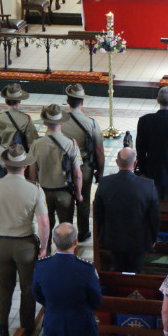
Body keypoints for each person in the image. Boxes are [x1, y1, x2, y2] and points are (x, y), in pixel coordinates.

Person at [0, 144, 50, 336]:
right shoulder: (35, 190)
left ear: (5, 165)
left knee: (4, 286)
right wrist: (44, 246)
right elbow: (44, 223)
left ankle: (2, 328)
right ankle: (26, 327)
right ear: (25, 166)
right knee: (27, 287)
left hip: (1, 244)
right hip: (25, 244)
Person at [33, 223, 102, 336]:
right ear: (75, 242)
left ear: (53, 241)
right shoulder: (86, 269)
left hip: (54, 325)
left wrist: (52, 304)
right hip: (81, 326)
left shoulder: (41, 266)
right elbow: (96, 300)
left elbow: (37, 294)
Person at [93, 148, 159, 272]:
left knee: (117, 269)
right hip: (139, 240)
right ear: (135, 163)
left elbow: (98, 213)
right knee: (136, 269)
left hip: (112, 238)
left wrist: (102, 233)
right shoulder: (148, 185)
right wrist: (153, 237)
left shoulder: (104, 183)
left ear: (117, 162)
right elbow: (154, 216)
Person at [29, 104, 83, 253]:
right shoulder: (71, 144)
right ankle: (66, 255)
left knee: (45, 226)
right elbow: (77, 174)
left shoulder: (36, 145)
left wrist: (34, 192)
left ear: (44, 122)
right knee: (66, 230)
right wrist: (78, 194)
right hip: (64, 193)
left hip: (43, 193)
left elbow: (32, 172)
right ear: (62, 122)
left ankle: (46, 253)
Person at [61, 84, 105, 242]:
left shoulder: (59, 122)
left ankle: (65, 233)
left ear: (67, 101)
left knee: (66, 198)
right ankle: (83, 232)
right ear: (82, 102)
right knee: (83, 199)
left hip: (63, 166)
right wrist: (100, 172)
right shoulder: (91, 123)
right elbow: (99, 151)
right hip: (84, 165)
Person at [0, 83, 39, 149]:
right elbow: (32, 142)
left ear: (6, 100)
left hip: (2, 152)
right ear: (19, 101)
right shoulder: (26, 119)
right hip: (19, 153)